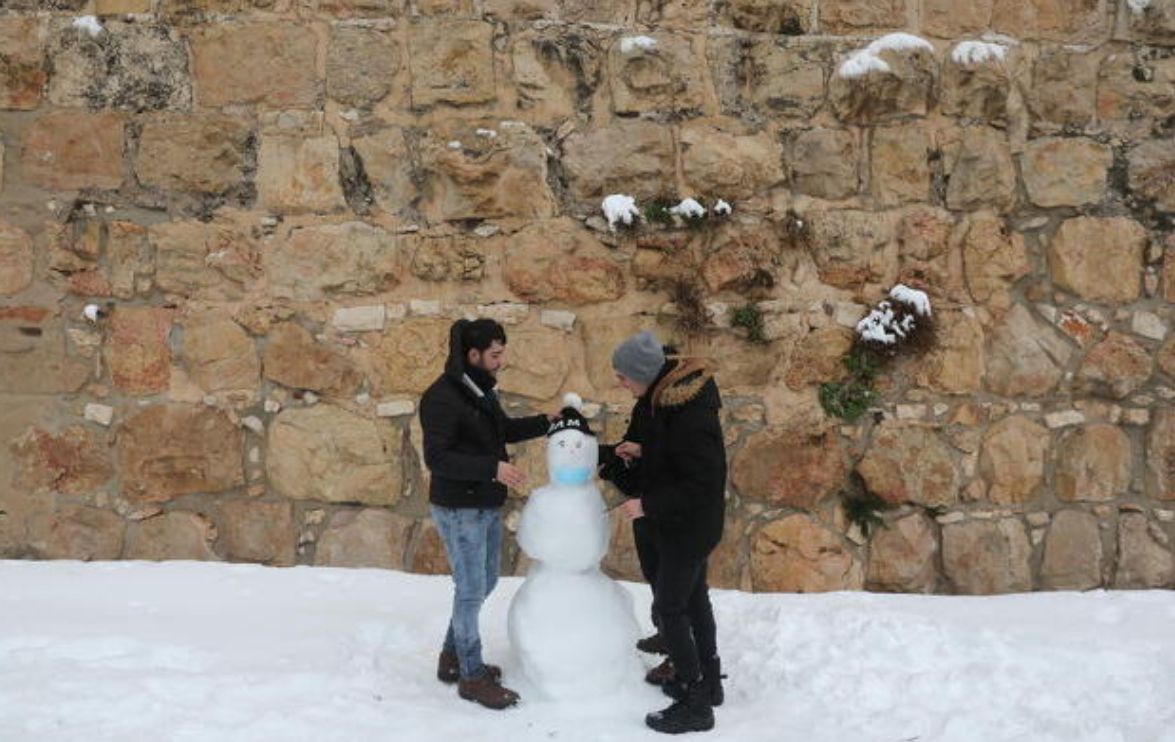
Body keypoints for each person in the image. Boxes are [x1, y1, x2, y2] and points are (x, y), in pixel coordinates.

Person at [419, 318, 557, 710]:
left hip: (484, 503)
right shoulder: (441, 397)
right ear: (473, 354)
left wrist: (546, 422)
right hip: (458, 508)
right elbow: (438, 458)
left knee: (487, 581)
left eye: (502, 354)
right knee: (470, 590)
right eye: (495, 355)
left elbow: (503, 432)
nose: (500, 362)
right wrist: (492, 468)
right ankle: (471, 675)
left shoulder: (479, 389)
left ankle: (452, 657)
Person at [612, 331, 727, 734]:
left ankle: (695, 701)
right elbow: (678, 456)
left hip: (689, 525)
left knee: (671, 607)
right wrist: (643, 450)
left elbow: (702, 481)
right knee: (694, 600)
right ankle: (710, 683)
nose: (620, 383)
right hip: (691, 522)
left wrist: (646, 505)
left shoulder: (689, 414)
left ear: (643, 375)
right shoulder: (669, 399)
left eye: (623, 377)